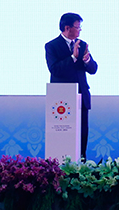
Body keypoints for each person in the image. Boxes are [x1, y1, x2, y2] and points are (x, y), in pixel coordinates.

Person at [45, 12, 98, 161]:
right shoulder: (51, 46)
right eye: (77, 27)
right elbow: (55, 70)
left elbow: (93, 69)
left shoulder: (82, 45)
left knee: (82, 134)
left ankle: (82, 164)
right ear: (67, 28)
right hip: (61, 100)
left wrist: (87, 60)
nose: (80, 30)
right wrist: (73, 58)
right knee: (62, 136)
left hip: (81, 97)